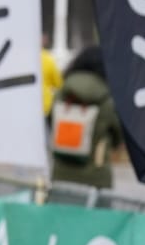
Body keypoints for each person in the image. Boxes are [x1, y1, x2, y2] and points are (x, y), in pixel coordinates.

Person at [48, 45, 121, 189]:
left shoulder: (62, 94)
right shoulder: (107, 101)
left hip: (61, 173)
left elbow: (51, 123)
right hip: (96, 176)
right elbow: (117, 135)